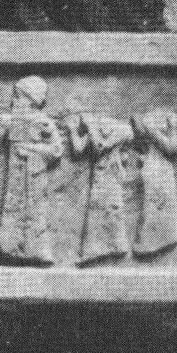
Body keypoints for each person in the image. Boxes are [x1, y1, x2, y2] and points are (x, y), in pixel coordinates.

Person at [0, 76, 63, 266]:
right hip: (15, 180)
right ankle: (9, 250)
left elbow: (57, 150)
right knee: (12, 212)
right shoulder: (11, 122)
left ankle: (37, 253)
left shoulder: (43, 123)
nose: (14, 100)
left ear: (32, 100)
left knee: (35, 213)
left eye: (18, 96)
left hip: (34, 178)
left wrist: (31, 149)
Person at [66, 112, 134, 266]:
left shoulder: (120, 131)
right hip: (99, 177)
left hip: (112, 177)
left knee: (112, 211)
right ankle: (94, 250)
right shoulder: (95, 131)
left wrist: (90, 127)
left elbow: (100, 146)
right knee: (95, 212)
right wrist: (72, 131)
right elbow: (78, 150)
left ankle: (117, 246)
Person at [131, 109, 177, 257]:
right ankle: (147, 246)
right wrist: (172, 128)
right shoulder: (151, 123)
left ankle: (159, 243)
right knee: (154, 212)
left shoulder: (168, 122)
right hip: (156, 172)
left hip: (163, 172)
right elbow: (171, 148)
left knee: (163, 214)